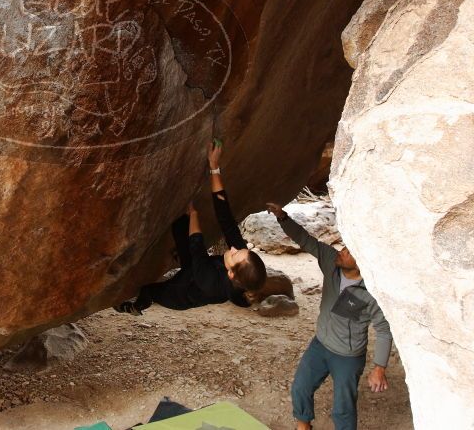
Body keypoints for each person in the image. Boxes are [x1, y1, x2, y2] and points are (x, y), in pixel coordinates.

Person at [266, 202, 392, 430]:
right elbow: (306, 240)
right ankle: (303, 425)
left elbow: (383, 329)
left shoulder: (372, 292)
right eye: (343, 247)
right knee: (301, 387)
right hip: (321, 344)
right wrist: (282, 217)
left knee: (343, 408)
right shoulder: (331, 262)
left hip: (348, 356)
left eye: (347, 252)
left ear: (361, 263)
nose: (341, 252)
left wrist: (379, 367)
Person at [114, 141, 266, 315]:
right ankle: (179, 254)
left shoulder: (210, 283)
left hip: (181, 293)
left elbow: (197, 246)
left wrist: (193, 214)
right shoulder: (240, 267)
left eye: (235, 254)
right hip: (196, 267)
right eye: (240, 251)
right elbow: (226, 220)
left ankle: (136, 306)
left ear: (231, 275)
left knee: (149, 291)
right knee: (179, 225)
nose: (233, 248)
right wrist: (214, 167)